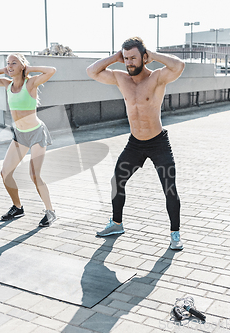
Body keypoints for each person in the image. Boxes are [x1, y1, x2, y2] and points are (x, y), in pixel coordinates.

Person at [86, 37, 185, 250]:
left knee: (169, 188)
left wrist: (153, 54)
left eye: (133, 58)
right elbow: (91, 72)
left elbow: (179, 66)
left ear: (144, 58)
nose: (129, 62)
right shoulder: (121, 78)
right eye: (126, 58)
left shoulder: (157, 78)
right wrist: (115, 57)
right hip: (135, 144)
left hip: (158, 143)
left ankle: (175, 233)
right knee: (117, 181)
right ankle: (117, 223)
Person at [0, 53, 57, 227]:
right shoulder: (7, 84)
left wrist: (29, 69)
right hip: (20, 135)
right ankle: (17, 207)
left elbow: (51, 71)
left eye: (14, 63)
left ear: (22, 66)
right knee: (5, 173)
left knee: (34, 175)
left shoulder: (30, 83)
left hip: (36, 133)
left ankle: (50, 212)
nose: (10, 65)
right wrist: (5, 70)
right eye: (8, 63)